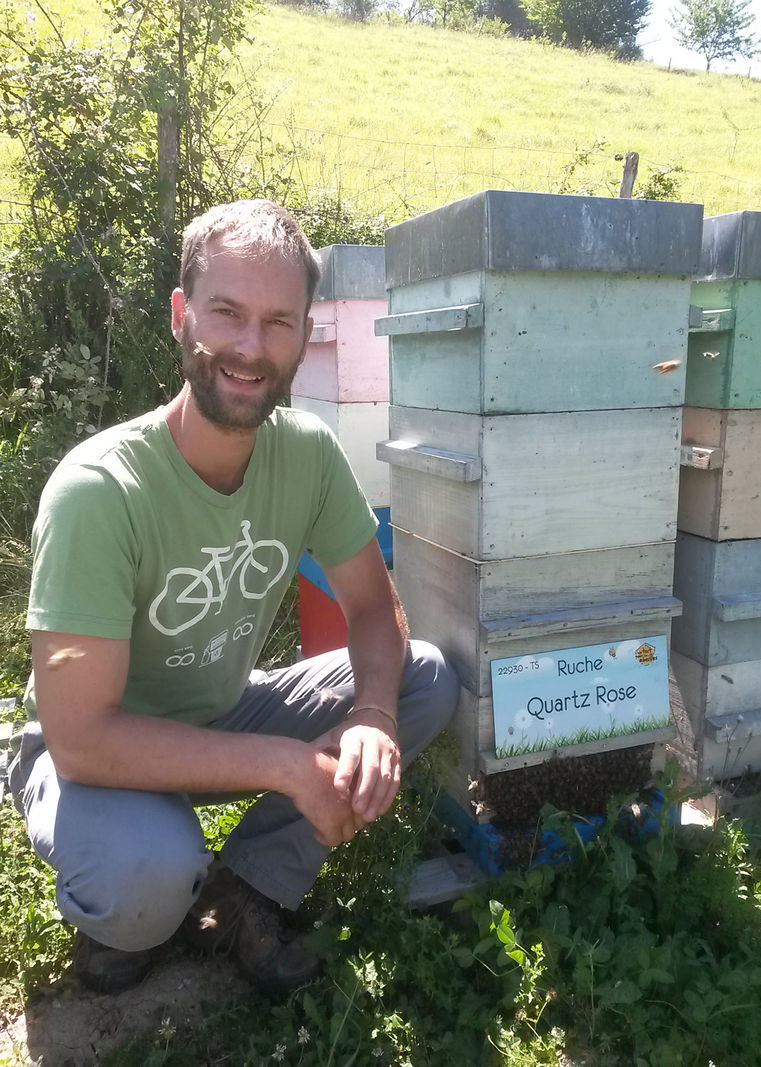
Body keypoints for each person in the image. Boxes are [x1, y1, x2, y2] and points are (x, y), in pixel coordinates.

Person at [8, 199, 458, 995]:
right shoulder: (98, 491)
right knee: (146, 877)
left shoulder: (308, 455)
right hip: (94, 754)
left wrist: (372, 718)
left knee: (420, 678)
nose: (251, 347)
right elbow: (82, 735)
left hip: (222, 711)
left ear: (305, 334)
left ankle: (248, 886)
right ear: (181, 315)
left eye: (278, 322)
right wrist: (288, 764)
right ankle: (126, 897)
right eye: (227, 312)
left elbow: (371, 608)